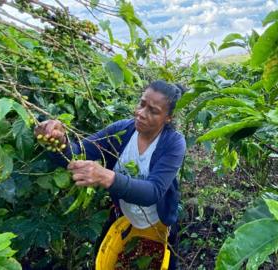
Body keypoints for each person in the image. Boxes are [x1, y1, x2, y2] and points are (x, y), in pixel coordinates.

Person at [34, 80, 186, 269]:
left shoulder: (173, 143)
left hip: (159, 223)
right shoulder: (122, 131)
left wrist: (106, 177)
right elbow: (77, 153)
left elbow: (153, 191)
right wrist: (59, 142)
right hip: (125, 217)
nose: (141, 113)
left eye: (153, 111)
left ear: (168, 118)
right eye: (141, 104)